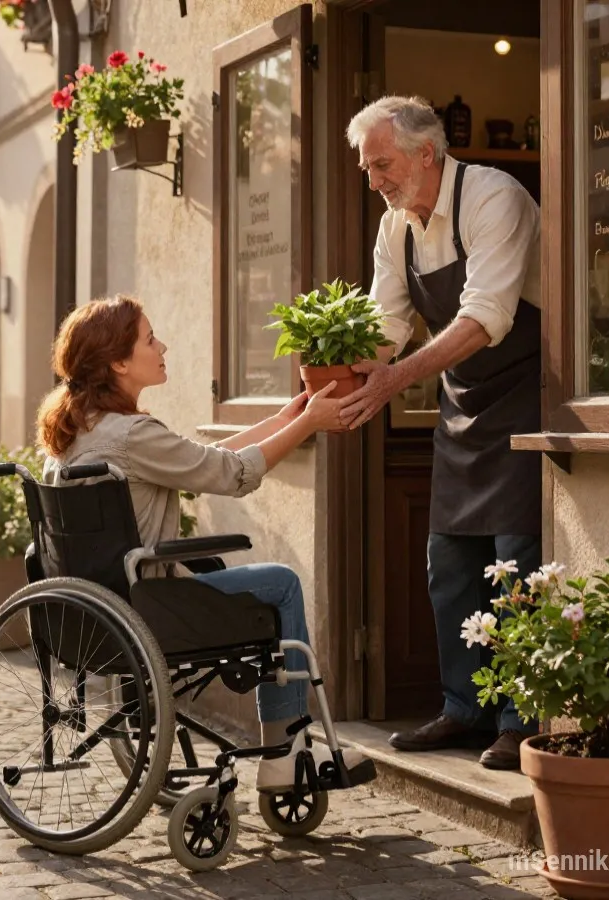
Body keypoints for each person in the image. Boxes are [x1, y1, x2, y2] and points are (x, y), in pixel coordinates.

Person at [35, 294, 372, 792]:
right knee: (280, 583)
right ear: (119, 362)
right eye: (150, 339)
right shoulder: (131, 435)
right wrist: (310, 424)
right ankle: (284, 751)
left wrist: (286, 418)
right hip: (148, 608)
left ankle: (285, 745)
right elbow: (232, 475)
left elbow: (203, 460)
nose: (163, 345)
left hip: (92, 611)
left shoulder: (72, 437)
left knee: (225, 572)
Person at [342, 96, 542, 770]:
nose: (374, 180)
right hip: (463, 403)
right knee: (449, 568)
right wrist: (337, 372)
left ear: (428, 152)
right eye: (367, 168)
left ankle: (521, 720)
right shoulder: (395, 225)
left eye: (382, 164)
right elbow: (387, 322)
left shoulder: (495, 197)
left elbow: (489, 315)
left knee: (517, 566)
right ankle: (464, 708)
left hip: (527, 397)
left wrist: (395, 381)